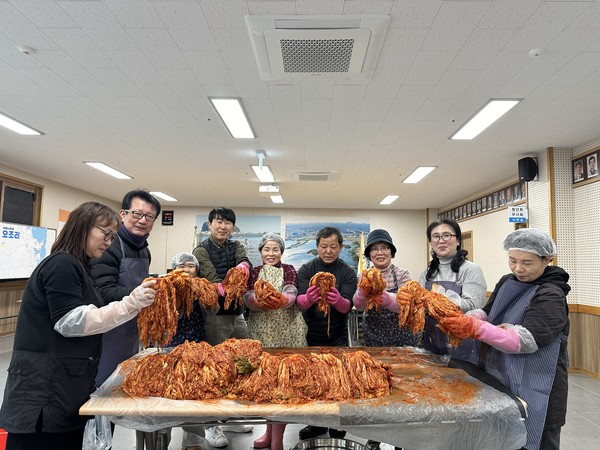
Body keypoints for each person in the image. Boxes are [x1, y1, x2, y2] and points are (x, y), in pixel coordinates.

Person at [0, 202, 156, 450]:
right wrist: (130, 304)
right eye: (105, 233)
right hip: (44, 392)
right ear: (83, 227)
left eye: (113, 236)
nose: (109, 241)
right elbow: (71, 322)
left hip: (64, 387)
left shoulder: (81, 266)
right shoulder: (61, 264)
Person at [443, 228, 570, 450]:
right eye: (512, 260)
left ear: (547, 259)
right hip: (505, 375)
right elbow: (490, 314)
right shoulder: (508, 281)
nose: (518, 268)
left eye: (527, 263)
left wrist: (476, 327)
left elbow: (525, 341)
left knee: (537, 438)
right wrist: (474, 316)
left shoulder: (551, 294)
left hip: (539, 383)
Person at [192, 207, 253, 447]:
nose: (223, 226)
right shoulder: (200, 250)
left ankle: (233, 415)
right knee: (215, 367)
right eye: (219, 222)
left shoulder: (235, 246)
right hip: (214, 314)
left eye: (228, 223)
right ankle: (212, 425)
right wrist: (221, 287)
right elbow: (209, 275)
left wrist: (244, 268)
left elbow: (244, 260)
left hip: (236, 314)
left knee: (239, 364)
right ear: (210, 224)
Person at [243, 233, 307, 450]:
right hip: (262, 328)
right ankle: (268, 432)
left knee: (283, 382)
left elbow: (291, 290)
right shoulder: (254, 271)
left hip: (287, 327)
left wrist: (284, 300)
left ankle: (278, 438)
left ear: (281, 252)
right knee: (265, 380)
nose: (271, 254)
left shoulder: (289, 269)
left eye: (275, 249)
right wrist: (255, 301)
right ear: (260, 251)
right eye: (267, 249)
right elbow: (249, 294)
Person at [92, 189, 161, 388]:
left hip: (133, 328)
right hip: (108, 329)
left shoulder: (144, 250)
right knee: (104, 386)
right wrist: (140, 294)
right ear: (123, 214)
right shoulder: (109, 246)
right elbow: (102, 292)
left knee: (124, 382)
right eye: (137, 214)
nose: (142, 220)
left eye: (149, 216)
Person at [296, 226, 358, 441]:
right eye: (324, 246)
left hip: (338, 334)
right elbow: (300, 302)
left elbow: (347, 305)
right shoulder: (306, 269)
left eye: (333, 246)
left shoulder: (348, 273)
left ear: (340, 248)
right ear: (317, 247)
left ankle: (337, 424)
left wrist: (339, 301)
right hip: (310, 333)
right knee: (312, 380)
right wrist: (308, 299)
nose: (328, 250)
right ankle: (315, 424)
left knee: (338, 379)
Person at [352, 229, 410, 450]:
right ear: (369, 254)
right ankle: (375, 434)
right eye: (374, 249)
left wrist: (385, 298)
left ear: (391, 251)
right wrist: (361, 293)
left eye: (384, 248)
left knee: (402, 386)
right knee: (376, 385)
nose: (380, 252)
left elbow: (406, 304)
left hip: (402, 336)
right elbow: (359, 306)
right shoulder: (364, 275)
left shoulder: (402, 274)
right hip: (375, 336)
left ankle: (401, 438)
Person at [169, 252, 219, 450]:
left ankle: (193, 439)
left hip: (198, 343)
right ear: (174, 269)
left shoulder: (202, 286)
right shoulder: (168, 288)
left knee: (194, 391)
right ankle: (163, 435)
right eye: (182, 266)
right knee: (173, 390)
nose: (187, 270)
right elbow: (171, 316)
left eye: (191, 266)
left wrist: (204, 297)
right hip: (173, 344)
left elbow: (212, 311)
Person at [419, 219, 487, 356]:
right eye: (436, 236)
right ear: (431, 242)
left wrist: (436, 296)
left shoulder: (471, 270)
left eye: (446, 235)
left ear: (458, 240)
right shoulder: (427, 273)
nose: (441, 240)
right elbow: (420, 306)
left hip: (463, 342)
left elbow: (473, 306)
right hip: (432, 341)